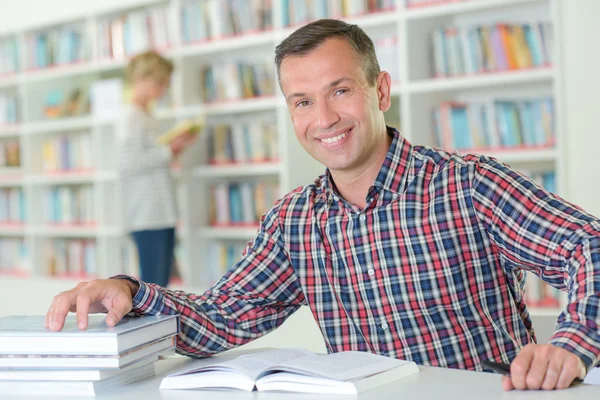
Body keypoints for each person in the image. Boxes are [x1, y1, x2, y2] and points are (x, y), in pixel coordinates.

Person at [45, 20, 599, 391]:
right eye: (303, 102)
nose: (324, 119)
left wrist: (572, 345)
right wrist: (128, 289)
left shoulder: (468, 185)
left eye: (340, 91)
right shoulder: (294, 221)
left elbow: (588, 245)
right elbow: (220, 318)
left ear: (380, 91)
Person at [115, 50, 196, 287]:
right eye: (159, 83)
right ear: (141, 79)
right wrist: (168, 150)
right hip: (146, 214)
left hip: (161, 211)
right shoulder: (129, 116)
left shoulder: (146, 114)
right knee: (153, 287)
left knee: (161, 286)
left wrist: (174, 149)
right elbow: (127, 163)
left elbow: (152, 157)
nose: (162, 90)